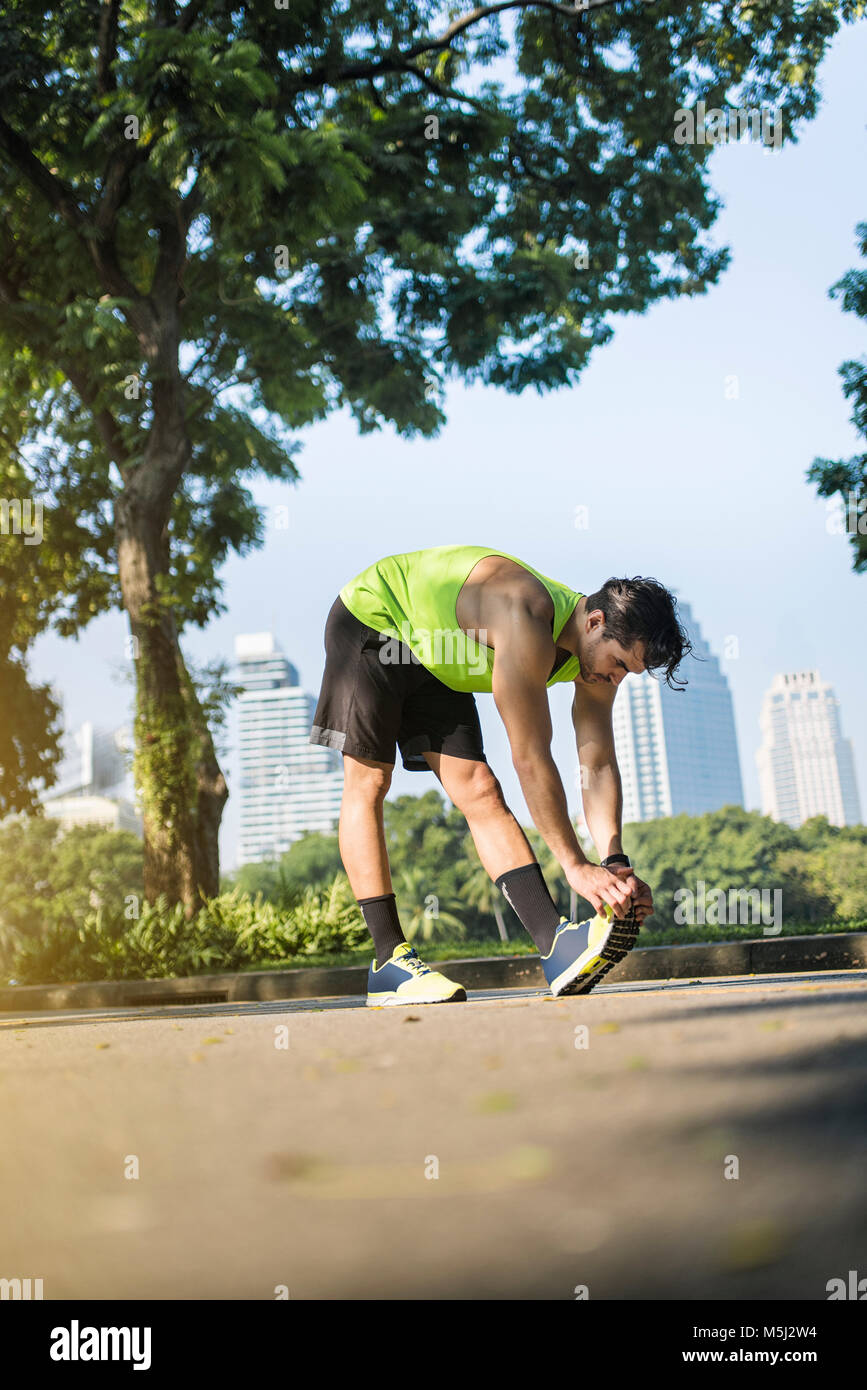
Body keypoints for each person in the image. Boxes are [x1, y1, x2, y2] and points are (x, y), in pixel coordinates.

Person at [309, 544, 691, 1005]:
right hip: (376, 619)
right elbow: (531, 757)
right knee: (369, 780)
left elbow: (598, 764)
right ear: (595, 622)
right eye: (618, 665)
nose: (617, 680)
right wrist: (575, 866)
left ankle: (556, 944)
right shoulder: (524, 616)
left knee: (481, 789)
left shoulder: (593, 664)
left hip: (435, 652)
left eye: (629, 673)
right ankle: (388, 962)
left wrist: (612, 864)